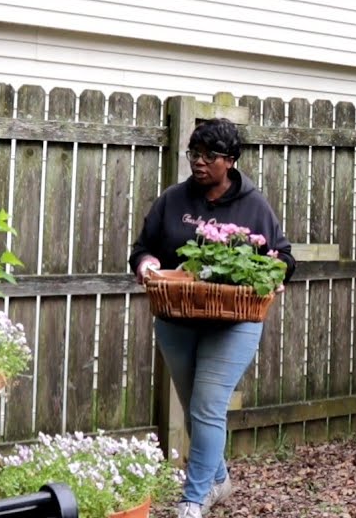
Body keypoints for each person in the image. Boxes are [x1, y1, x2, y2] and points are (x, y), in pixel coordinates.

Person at [129, 118, 295, 518]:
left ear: (231, 160)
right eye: (194, 154)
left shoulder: (254, 205)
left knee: (207, 405)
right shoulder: (172, 200)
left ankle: (194, 498)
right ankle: (219, 478)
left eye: (210, 156)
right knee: (195, 408)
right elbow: (142, 248)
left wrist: (275, 275)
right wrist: (147, 264)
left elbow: (284, 256)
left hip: (233, 323)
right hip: (176, 318)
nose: (199, 162)